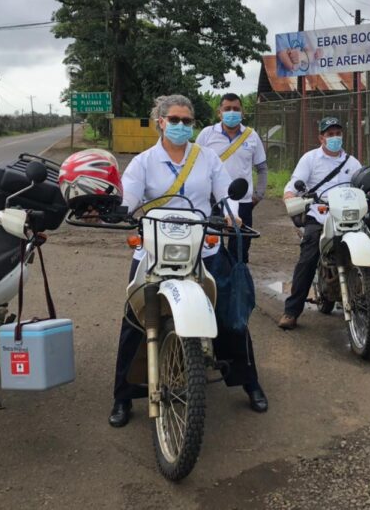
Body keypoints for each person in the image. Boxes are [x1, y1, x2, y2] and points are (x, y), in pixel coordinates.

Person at [109, 94, 267, 428]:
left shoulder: (206, 157)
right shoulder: (143, 162)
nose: (181, 126)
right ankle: (123, 395)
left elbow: (226, 192)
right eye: (175, 120)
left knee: (229, 315)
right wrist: (120, 211)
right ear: (160, 121)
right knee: (135, 320)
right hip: (153, 248)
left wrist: (232, 216)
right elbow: (129, 196)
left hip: (203, 246)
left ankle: (248, 381)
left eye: (187, 121)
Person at [278, 117, 370, 330]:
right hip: (320, 216)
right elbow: (292, 186)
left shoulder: (352, 162)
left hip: (350, 217)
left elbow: (364, 185)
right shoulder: (310, 159)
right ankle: (292, 311)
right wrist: (290, 198)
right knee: (308, 257)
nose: (334, 138)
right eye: (329, 134)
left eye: (337, 133)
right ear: (321, 137)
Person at [196, 93, 267, 263]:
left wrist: (258, 194)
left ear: (242, 113)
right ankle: (212, 283)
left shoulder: (252, 136)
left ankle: (237, 283)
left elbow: (262, 168)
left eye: (236, 109)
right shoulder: (207, 134)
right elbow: (194, 164)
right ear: (219, 112)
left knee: (240, 249)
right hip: (212, 201)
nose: (232, 112)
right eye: (227, 109)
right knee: (209, 247)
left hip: (243, 201)